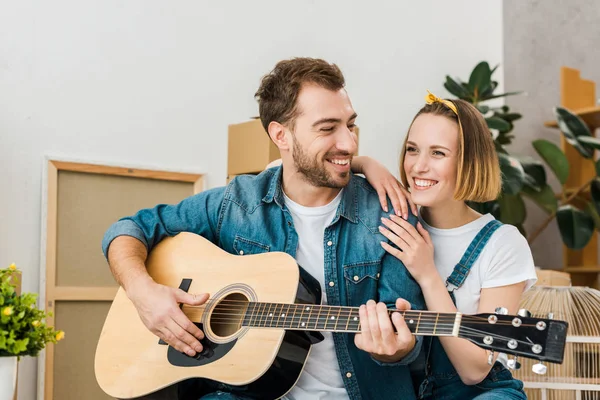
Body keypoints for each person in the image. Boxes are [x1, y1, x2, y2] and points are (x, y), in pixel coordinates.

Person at [101, 57, 425, 400]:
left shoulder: (391, 215)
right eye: (328, 128)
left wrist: (393, 348)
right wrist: (143, 292)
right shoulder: (237, 203)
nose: (349, 143)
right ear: (280, 135)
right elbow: (129, 229)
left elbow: (410, 336)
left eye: (350, 124)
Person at [352, 91, 537, 399]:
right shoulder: (391, 217)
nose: (418, 167)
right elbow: (282, 165)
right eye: (412, 150)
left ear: (469, 162)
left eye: (438, 153)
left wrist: (428, 275)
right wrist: (364, 164)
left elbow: (475, 369)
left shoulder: (502, 243)